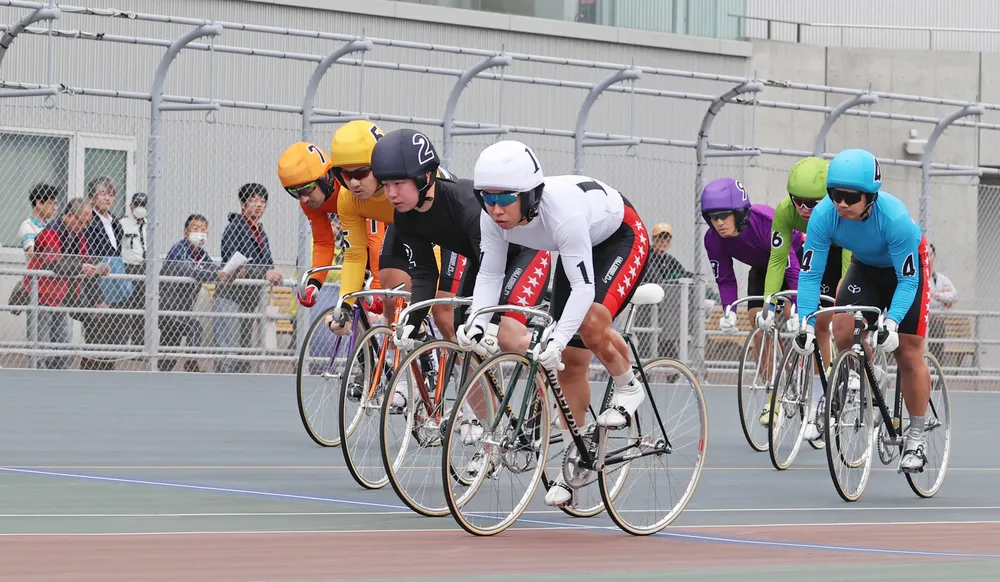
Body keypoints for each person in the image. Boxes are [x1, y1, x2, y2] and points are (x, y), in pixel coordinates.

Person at [465, 140, 649, 508]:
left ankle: (629, 385)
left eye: (504, 199)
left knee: (590, 323)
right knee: (569, 363)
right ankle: (576, 462)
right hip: (574, 248)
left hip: (620, 236)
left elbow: (583, 287)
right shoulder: (492, 217)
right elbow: (489, 274)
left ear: (530, 195)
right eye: (486, 197)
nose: (495, 208)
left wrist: (559, 336)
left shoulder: (561, 212)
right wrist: (477, 322)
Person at [792, 148, 931, 473]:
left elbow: (908, 282)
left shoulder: (894, 219)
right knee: (842, 329)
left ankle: (916, 437)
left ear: (870, 196)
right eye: (835, 194)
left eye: (850, 197)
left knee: (908, 354)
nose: (841, 203)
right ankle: (867, 372)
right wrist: (805, 324)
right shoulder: (824, 216)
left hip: (906, 274)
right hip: (866, 267)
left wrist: (893, 322)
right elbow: (810, 273)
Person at [369, 130, 550, 359]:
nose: (391, 193)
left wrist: (490, 321)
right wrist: (414, 321)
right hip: (484, 261)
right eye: (385, 184)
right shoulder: (404, 217)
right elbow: (424, 273)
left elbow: (493, 273)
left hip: (526, 254)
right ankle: (486, 393)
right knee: (463, 337)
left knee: (506, 337)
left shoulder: (465, 206)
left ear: (424, 177)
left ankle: (545, 361)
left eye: (399, 183)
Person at [758, 157, 852, 438]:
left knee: (842, 324)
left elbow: (849, 264)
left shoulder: (840, 213)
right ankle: (820, 400)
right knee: (816, 325)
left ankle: (859, 371)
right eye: (798, 201)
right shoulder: (785, 212)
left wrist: (844, 305)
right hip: (815, 254)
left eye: (812, 203)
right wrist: (768, 301)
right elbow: (777, 260)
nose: (804, 209)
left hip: (844, 256)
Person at [703, 177, 803, 332]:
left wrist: (799, 309)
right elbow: (725, 279)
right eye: (713, 217)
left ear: (739, 212)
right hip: (762, 267)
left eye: (723, 215)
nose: (719, 223)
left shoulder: (765, 222)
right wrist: (730, 312)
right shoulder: (712, 239)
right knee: (758, 323)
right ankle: (768, 355)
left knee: (794, 314)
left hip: (794, 258)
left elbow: (791, 269)